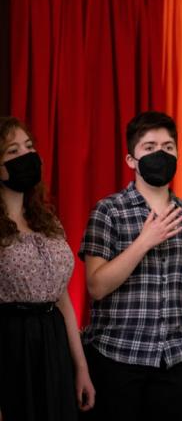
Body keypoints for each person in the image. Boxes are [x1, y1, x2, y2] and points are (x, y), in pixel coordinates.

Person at [79, 111, 182, 421]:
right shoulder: (108, 211)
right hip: (118, 356)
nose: (160, 154)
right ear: (131, 160)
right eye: (149, 148)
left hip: (177, 360)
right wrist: (144, 241)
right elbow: (96, 286)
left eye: (168, 147)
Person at [0, 117, 95, 421]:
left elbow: (61, 296)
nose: (25, 156)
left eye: (29, 147)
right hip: (11, 342)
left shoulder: (47, 221)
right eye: (12, 152)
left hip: (53, 341)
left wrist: (80, 368)